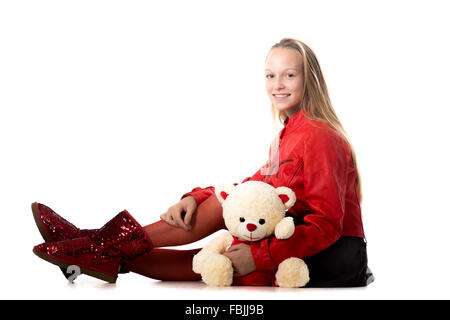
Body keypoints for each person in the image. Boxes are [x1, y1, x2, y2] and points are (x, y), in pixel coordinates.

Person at [32, 38, 373, 287]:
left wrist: (261, 256)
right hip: (300, 240)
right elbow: (247, 190)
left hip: (332, 255)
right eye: (270, 76)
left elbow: (327, 225)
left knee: (215, 258)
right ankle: (93, 252)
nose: (277, 85)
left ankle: (90, 244)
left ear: (308, 79)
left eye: (289, 76)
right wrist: (195, 196)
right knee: (217, 210)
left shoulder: (320, 136)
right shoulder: (289, 134)